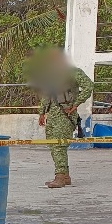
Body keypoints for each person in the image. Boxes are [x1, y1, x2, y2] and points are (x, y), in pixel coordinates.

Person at [35, 47, 93, 188]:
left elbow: (89, 86)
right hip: (53, 115)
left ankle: (60, 176)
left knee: (58, 145)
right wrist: (42, 112)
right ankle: (65, 176)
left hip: (65, 114)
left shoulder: (73, 72)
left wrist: (76, 104)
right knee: (54, 144)